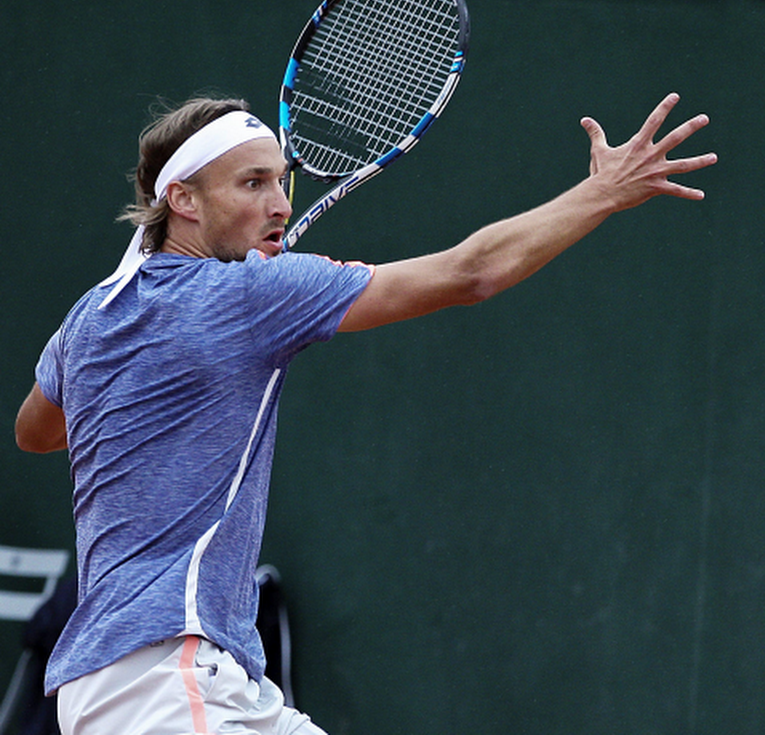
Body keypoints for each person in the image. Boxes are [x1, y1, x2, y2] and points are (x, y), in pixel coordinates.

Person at [13, 92, 715, 735]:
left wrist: (154, 391)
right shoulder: (252, 296)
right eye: (252, 184)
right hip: (164, 675)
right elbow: (471, 273)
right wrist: (602, 192)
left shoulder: (91, 318)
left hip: (164, 677)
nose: (280, 203)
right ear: (184, 200)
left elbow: (36, 429)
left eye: (280, 180)